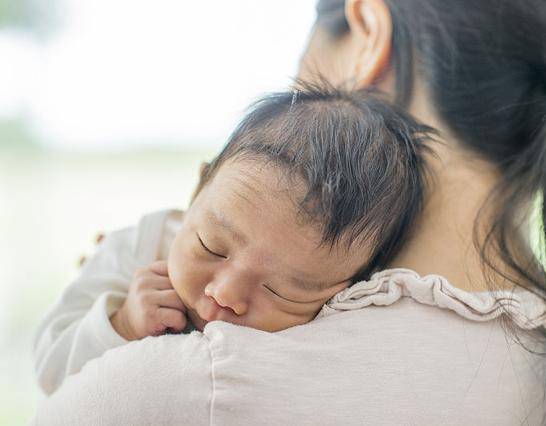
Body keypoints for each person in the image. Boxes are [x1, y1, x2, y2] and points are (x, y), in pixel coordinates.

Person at [31, 0, 546, 425]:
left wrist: (109, 331)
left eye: (291, 286)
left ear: (368, 33)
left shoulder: (184, 385)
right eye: (213, 244)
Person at [33, 83, 437, 392]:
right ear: (197, 190)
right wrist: (121, 323)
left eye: (283, 291)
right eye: (211, 246)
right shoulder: (142, 244)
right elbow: (50, 369)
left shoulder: (351, 321)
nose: (225, 293)